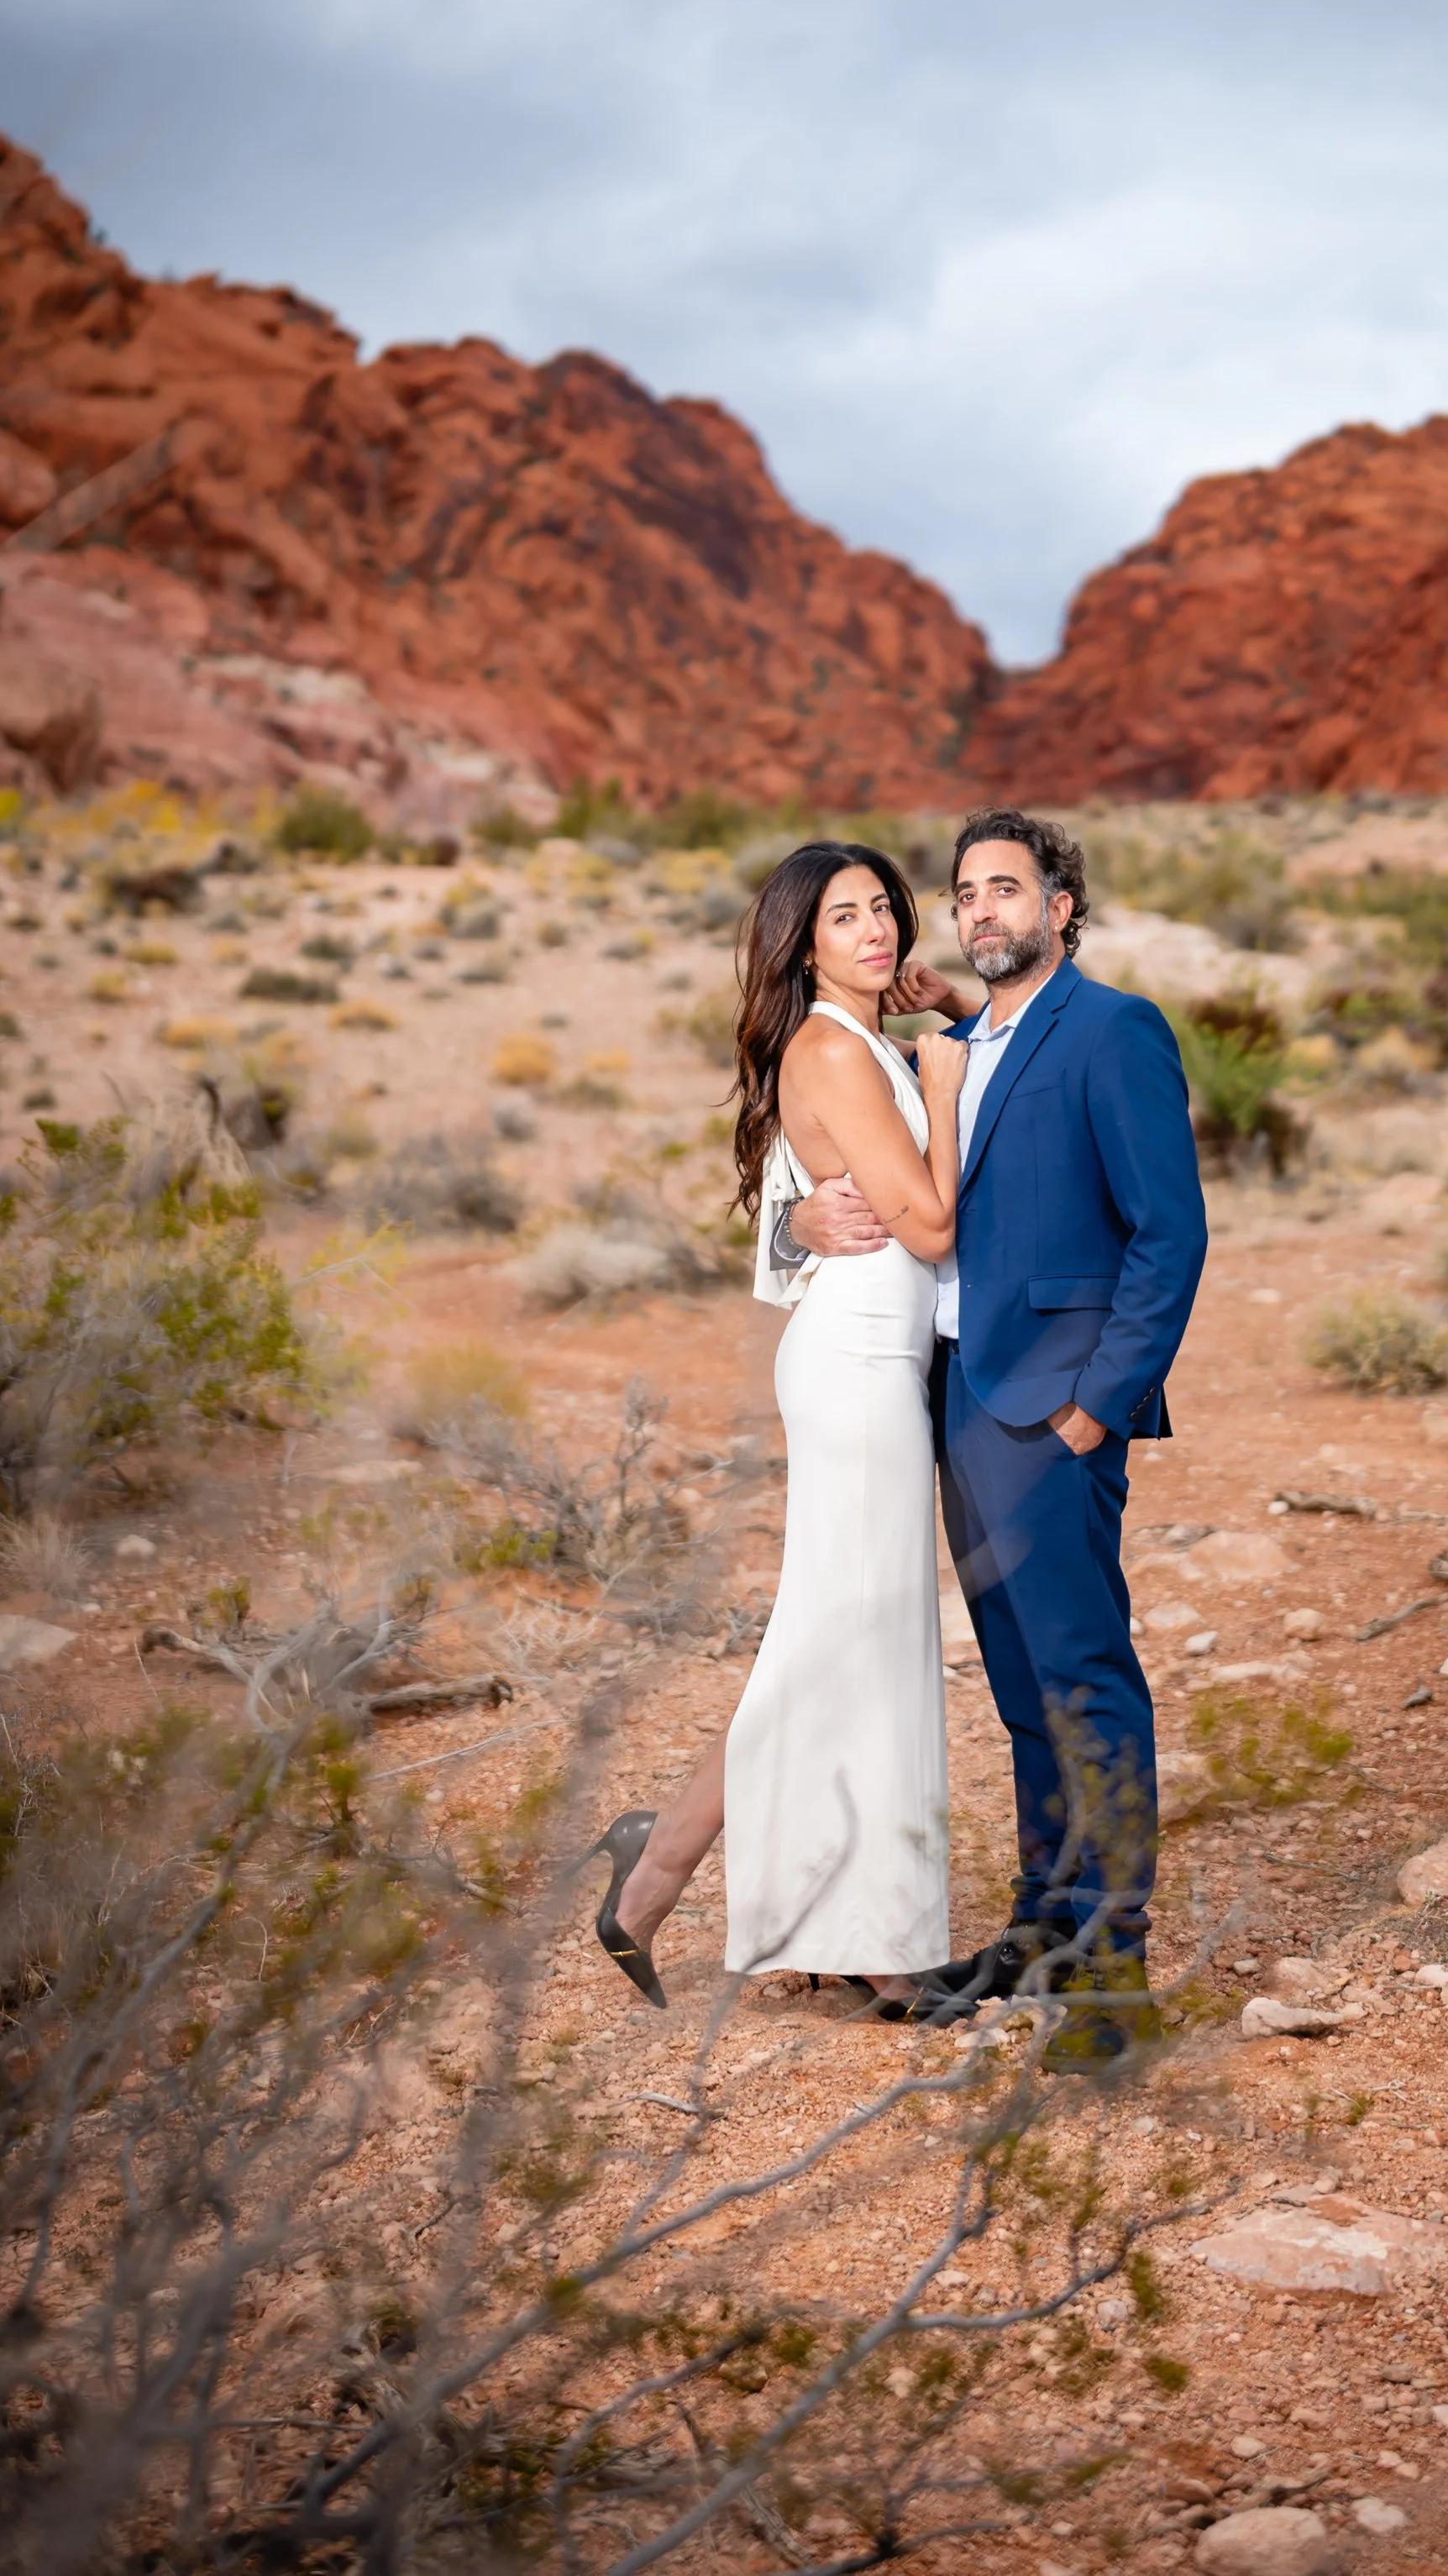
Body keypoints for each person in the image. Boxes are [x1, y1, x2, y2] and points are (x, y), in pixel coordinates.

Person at [788, 809, 1206, 2070]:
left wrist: (1100, 1400)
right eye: (965, 892)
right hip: (962, 1396)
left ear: (1060, 907)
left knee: (1085, 1677)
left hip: (1052, 1405)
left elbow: (1167, 1234)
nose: (982, 910)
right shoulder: (962, 1039)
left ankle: (1113, 1969)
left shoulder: (1113, 1027)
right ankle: (1042, 1924)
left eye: (1007, 889)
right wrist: (799, 1220)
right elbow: (891, 1138)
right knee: (1024, 1690)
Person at [590, 842, 968, 2011]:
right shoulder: (828, 1045)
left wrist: (941, 1019)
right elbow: (931, 1225)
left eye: (885, 912)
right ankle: (709, 1889)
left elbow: (802, 1211)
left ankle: (711, 1884)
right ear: (803, 943)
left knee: (845, 1644)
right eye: (844, 916)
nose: (874, 931)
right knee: (845, 1643)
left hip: (870, 1358)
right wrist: (943, 1093)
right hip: (856, 1363)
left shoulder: (860, 1040)